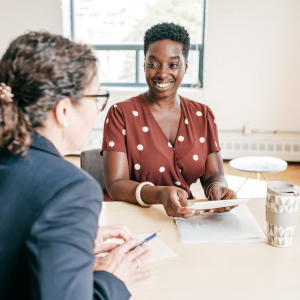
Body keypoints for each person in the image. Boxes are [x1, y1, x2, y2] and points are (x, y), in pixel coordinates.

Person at [0, 32, 153, 300]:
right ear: (64, 111)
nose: (97, 111)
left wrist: (66, 239)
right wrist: (109, 280)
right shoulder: (71, 189)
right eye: (95, 99)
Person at [101, 23, 237, 218]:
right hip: (131, 216)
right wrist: (159, 194)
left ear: (185, 66)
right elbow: (115, 185)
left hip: (182, 215)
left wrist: (217, 188)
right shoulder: (121, 113)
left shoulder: (203, 115)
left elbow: (213, 175)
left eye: (173, 64)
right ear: (144, 64)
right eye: (153, 64)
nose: (162, 73)